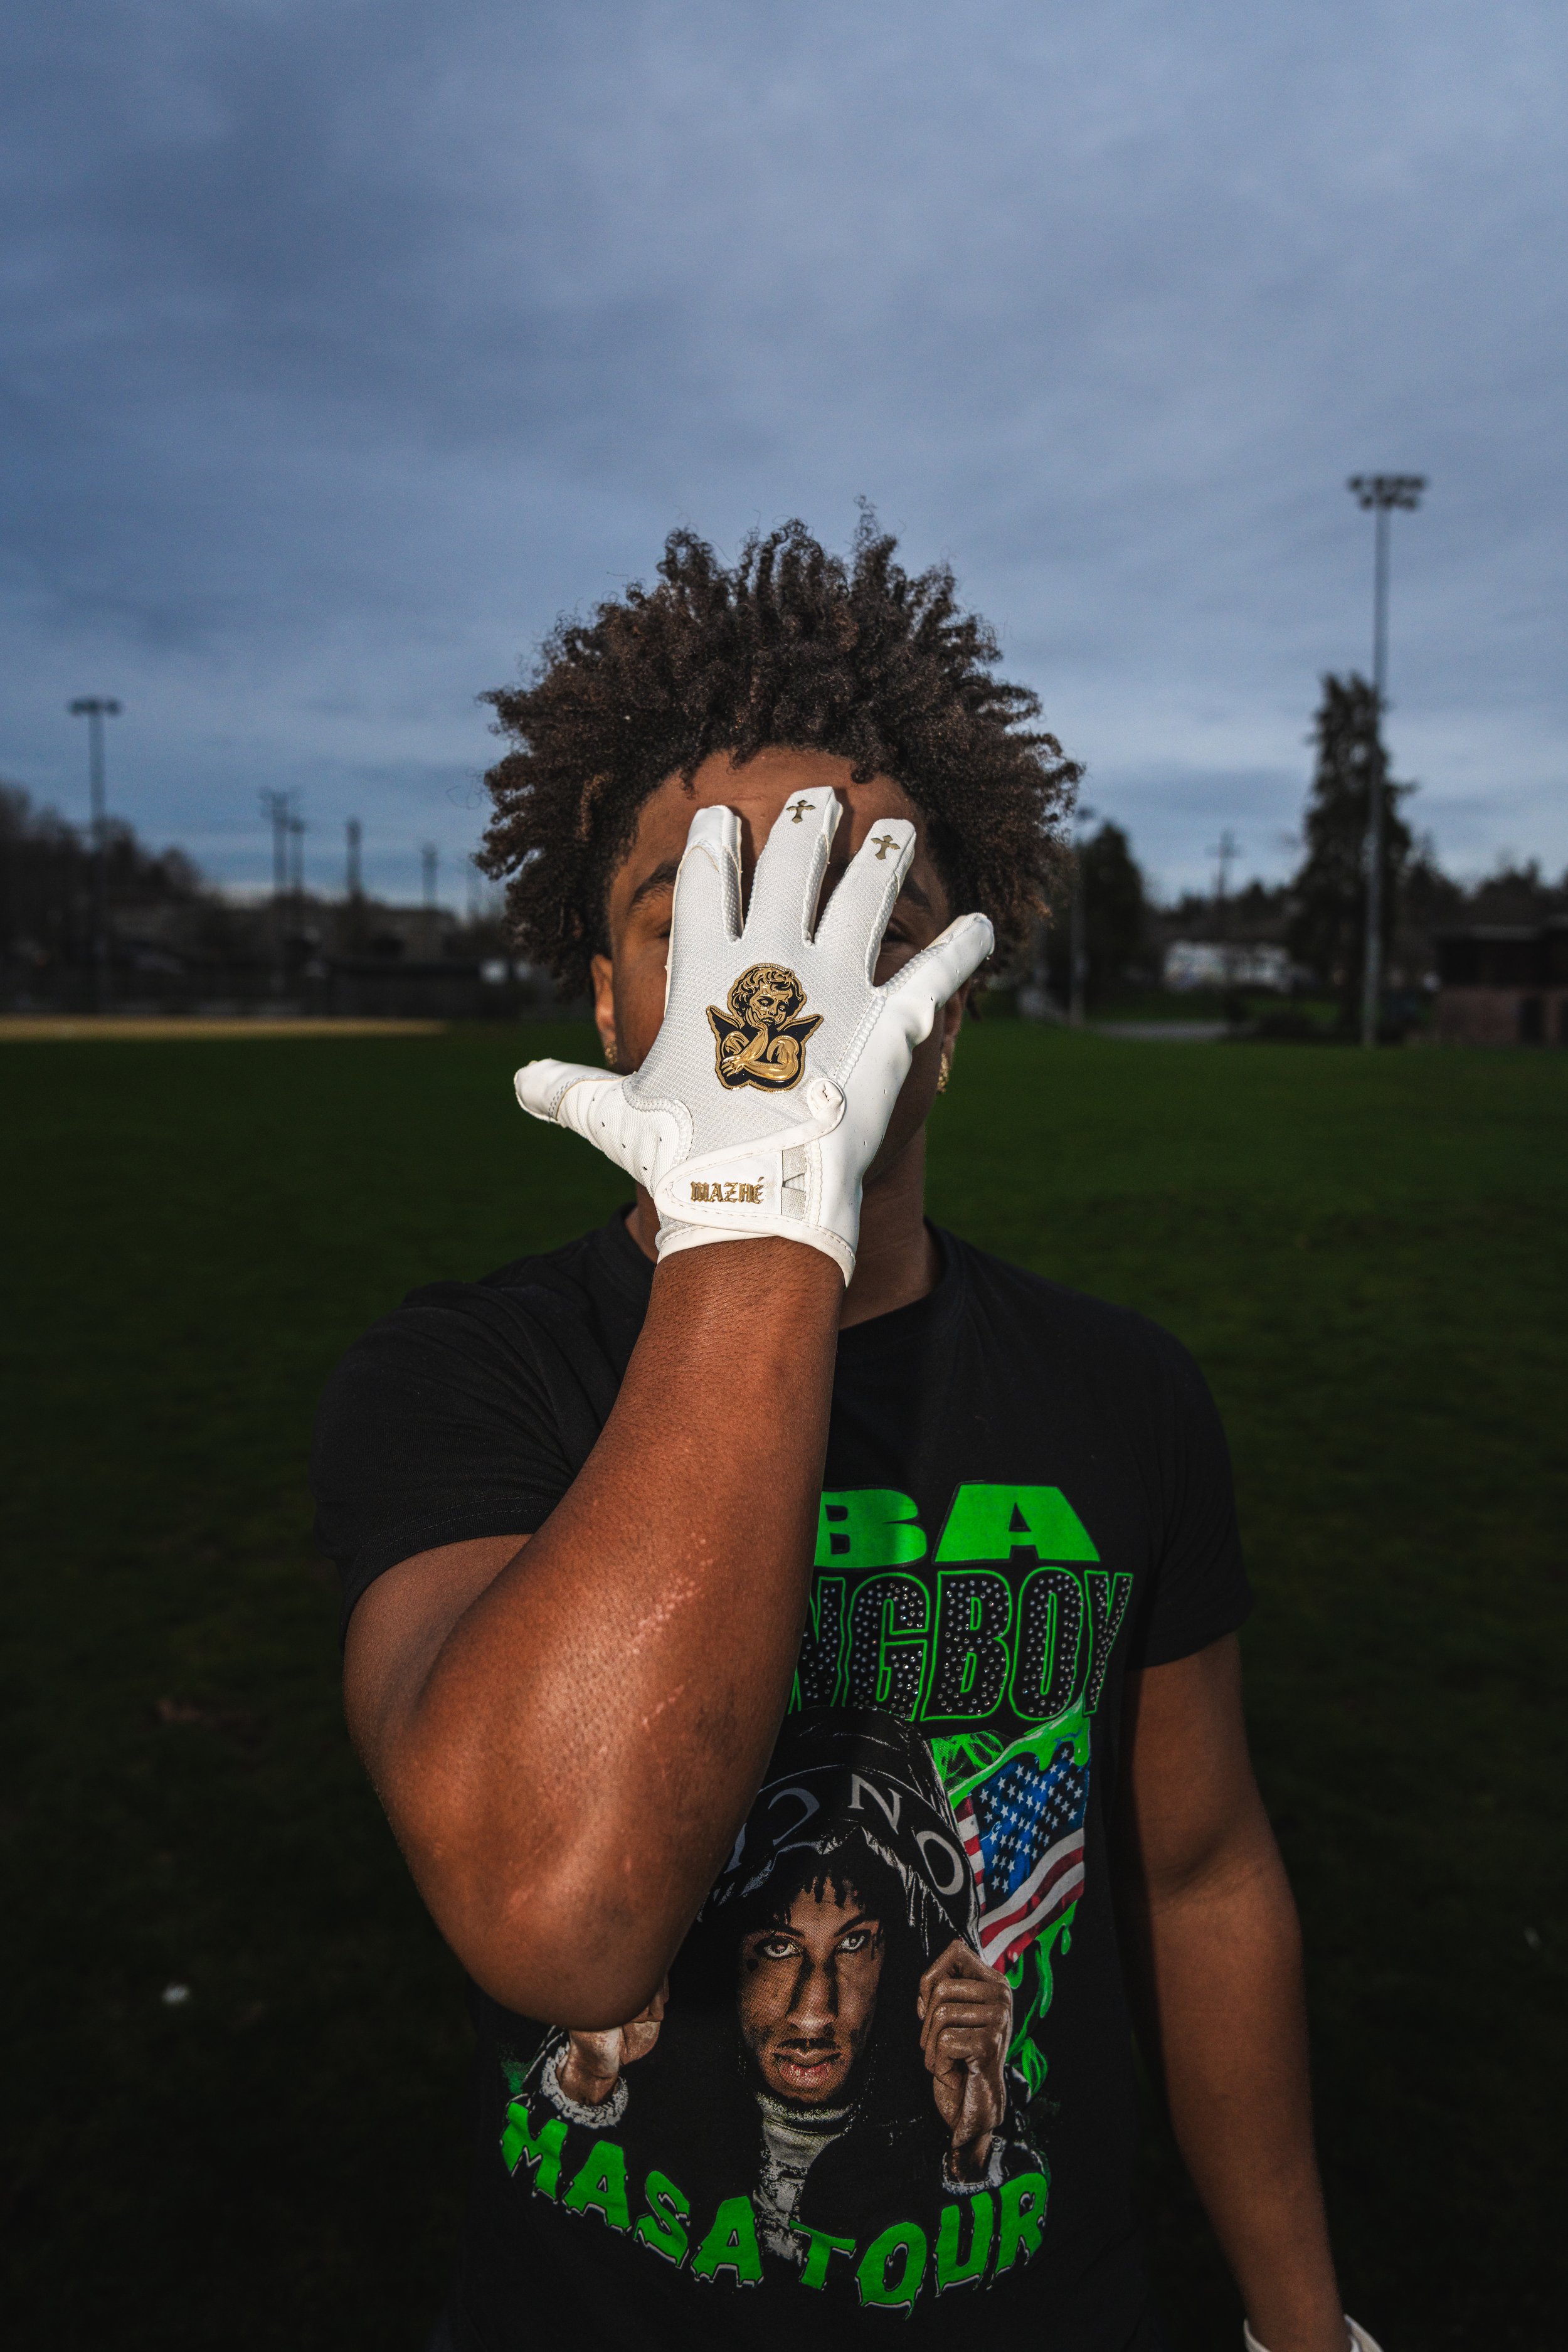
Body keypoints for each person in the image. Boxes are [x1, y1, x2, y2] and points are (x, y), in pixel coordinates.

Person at [313, 517, 1382, 2351]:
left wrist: (1303, 2327)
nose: (776, 1002)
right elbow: (558, 1914)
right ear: (601, 998)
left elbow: (1201, 1875)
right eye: (699, 919)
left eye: (850, 933)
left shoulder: (1121, 1394)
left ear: (943, 1015)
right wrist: (754, 1209)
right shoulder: (466, 1379)